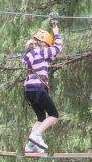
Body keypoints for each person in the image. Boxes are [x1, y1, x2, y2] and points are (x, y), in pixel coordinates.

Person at [22, 17, 62, 154]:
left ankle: (30, 146)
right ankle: (36, 136)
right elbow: (57, 49)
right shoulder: (41, 51)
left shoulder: (30, 53)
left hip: (29, 90)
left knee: (41, 117)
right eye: (47, 46)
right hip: (38, 88)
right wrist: (56, 34)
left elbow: (51, 57)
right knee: (54, 114)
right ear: (43, 44)